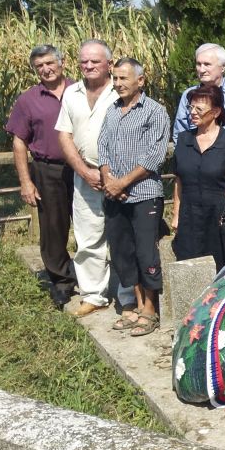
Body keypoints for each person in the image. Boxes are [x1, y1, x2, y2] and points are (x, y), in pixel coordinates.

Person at [96, 58, 170, 336]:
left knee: (145, 251)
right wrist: (109, 180)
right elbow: (102, 146)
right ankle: (135, 305)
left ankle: (150, 309)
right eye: (115, 78)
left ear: (140, 80)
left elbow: (154, 155)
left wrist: (122, 182)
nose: (117, 84)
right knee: (122, 251)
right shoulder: (112, 110)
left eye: (123, 78)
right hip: (115, 195)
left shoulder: (154, 111)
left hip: (143, 194)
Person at [6, 44, 77, 308]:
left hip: (83, 168)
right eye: (39, 66)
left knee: (90, 223)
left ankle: (94, 277)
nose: (46, 69)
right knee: (53, 227)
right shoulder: (28, 100)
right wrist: (26, 181)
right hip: (48, 169)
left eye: (49, 63)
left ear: (62, 62)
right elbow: (19, 142)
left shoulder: (81, 91)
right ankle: (61, 281)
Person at [55, 39, 118, 316]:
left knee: (122, 236)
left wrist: (109, 175)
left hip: (120, 176)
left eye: (95, 61)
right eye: (84, 61)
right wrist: (84, 171)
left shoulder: (121, 91)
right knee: (88, 236)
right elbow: (64, 135)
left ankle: (128, 295)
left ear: (109, 64)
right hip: (85, 175)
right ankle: (94, 294)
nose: (89, 66)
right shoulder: (71, 93)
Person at [171, 84, 225, 269]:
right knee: (190, 270)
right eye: (190, 107)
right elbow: (179, 181)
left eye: (199, 109)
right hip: (189, 217)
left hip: (221, 219)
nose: (193, 112)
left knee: (223, 269)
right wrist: (175, 214)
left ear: (215, 112)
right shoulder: (183, 140)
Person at [172, 43, 225, 141]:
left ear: (223, 67)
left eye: (207, 64)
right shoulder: (188, 95)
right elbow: (179, 133)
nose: (201, 70)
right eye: (198, 64)